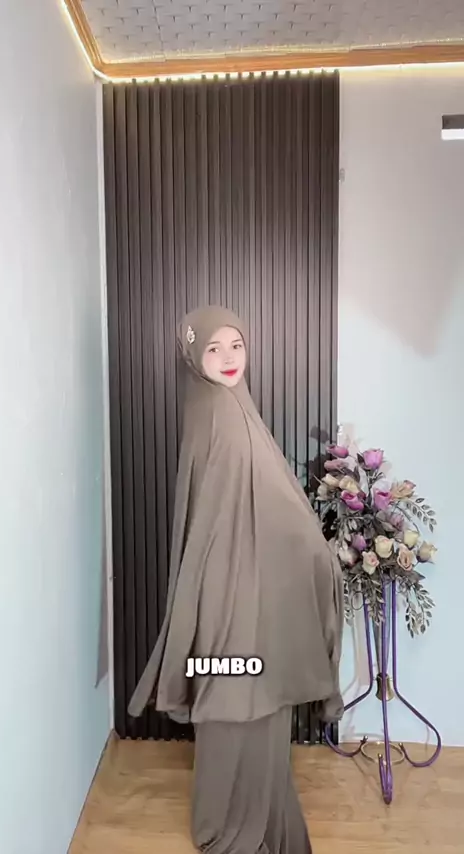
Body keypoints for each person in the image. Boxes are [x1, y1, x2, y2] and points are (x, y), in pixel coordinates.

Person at [128, 305, 344, 854]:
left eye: (236, 345)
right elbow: (257, 505)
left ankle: (234, 814)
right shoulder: (222, 413)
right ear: (193, 356)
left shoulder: (217, 406)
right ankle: (230, 823)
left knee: (239, 694)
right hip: (232, 596)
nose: (227, 358)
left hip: (237, 591)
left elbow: (262, 503)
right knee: (238, 696)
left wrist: (306, 547)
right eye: (213, 348)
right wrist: (316, 552)